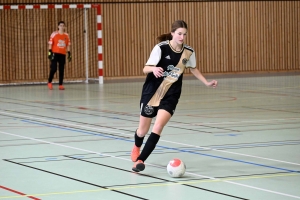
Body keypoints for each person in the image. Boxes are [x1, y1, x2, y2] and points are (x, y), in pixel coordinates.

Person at [131, 20, 218, 172]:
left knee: (158, 127)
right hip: (152, 92)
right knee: (142, 131)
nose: (182, 37)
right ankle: (137, 145)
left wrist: (206, 82)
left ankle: (140, 160)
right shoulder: (161, 48)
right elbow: (145, 68)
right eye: (179, 34)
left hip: (172, 94)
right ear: (172, 33)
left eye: (184, 34)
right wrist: (154, 69)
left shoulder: (188, 52)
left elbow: (194, 69)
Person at [47, 21, 71, 90]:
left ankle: (60, 84)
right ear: (58, 26)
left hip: (62, 54)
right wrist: (49, 52)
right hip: (55, 53)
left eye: (63, 25)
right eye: (60, 25)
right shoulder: (54, 34)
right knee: (54, 68)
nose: (62, 27)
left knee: (61, 69)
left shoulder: (66, 35)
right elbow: (50, 43)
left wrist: (69, 53)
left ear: (64, 27)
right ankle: (49, 81)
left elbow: (68, 44)